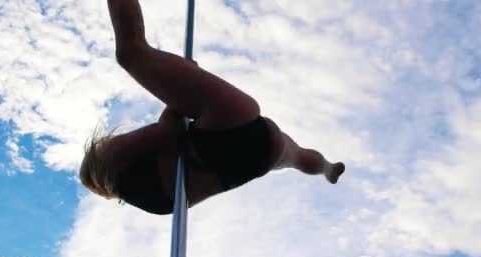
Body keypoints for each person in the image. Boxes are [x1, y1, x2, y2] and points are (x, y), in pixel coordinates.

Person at [80, 0, 345, 215]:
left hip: (257, 158)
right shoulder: (107, 161)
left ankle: (327, 169)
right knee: (131, 53)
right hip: (221, 131)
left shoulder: (150, 202)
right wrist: (183, 81)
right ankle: (328, 168)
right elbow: (168, 131)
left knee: (297, 157)